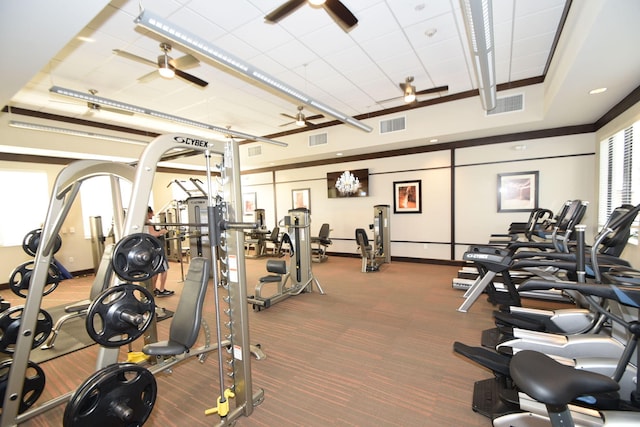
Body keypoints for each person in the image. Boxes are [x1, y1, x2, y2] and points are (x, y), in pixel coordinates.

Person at [145, 206, 174, 297]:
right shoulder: (147, 223)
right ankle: (161, 289)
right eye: (151, 213)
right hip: (156, 249)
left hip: (150, 248)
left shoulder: (143, 223)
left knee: (156, 270)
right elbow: (152, 234)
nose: (153, 215)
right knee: (164, 269)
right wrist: (162, 231)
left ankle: (153, 289)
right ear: (148, 213)